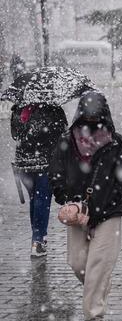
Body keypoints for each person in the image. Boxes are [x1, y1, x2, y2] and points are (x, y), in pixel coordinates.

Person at [49, 91, 122, 321]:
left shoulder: (115, 142)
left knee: (99, 264)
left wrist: (104, 198)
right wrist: (69, 200)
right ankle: (96, 288)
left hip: (108, 212)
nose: (90, 126)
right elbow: (56, 174)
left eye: (94, 120)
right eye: (87, 120)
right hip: (77, 214)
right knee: (78, 263)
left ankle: (94, 318)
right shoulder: (66, 141)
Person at [10, 102, 67, 257]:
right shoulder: (53, 109)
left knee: (35, 199)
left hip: (23, 163)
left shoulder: (18, 108)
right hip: (44, 162)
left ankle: (37, 238)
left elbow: (15, 135)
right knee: (42, 199)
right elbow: (62, 134)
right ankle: (38, 240)